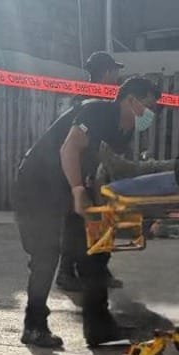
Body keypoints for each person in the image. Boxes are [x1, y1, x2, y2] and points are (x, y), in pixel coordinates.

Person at [15, 75, 161, 350]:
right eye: (147, 105)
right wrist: (78, 190)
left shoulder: (125, 130)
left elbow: (108, 171)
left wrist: (127, 211)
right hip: (40, 182)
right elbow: (69, 149)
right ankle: (34, 325)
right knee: (46, 254)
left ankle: (99, 328)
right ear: (129, 100)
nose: (149, 113)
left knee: (92, 249)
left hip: (71, 184)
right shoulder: (97, 112)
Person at [57, 51, 125, 294]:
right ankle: (65, 273)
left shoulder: (102, 99)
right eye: (115, 71)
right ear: (106, 72)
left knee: (104, 220)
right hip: (82, 171)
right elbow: (77, 142)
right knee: (76, 224)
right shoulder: (86, 100)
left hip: (97, 171)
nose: (117, 76)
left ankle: (99, 269)